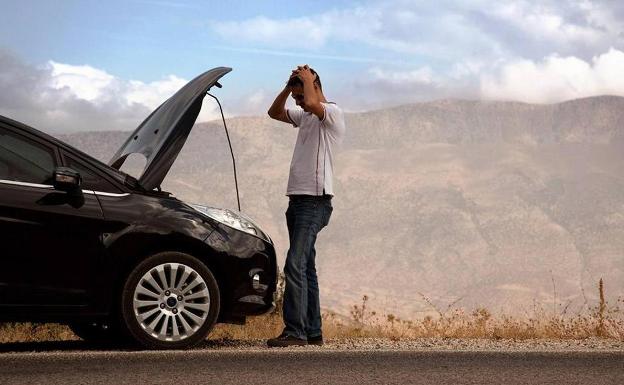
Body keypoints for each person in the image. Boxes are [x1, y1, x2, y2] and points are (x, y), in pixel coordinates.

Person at [266, 65, 346, 347]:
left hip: (314, 200)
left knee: (295, 264)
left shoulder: (331, 113)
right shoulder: (305, 116)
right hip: (298, 199)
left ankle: (295, 331)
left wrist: (308, 81)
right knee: (306, 267)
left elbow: (313, 102)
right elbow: (274, 112)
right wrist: (289, 88)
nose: (299, 102)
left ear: (315, 86)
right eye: (297, 98)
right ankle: (313, 332)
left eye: (301, 96)